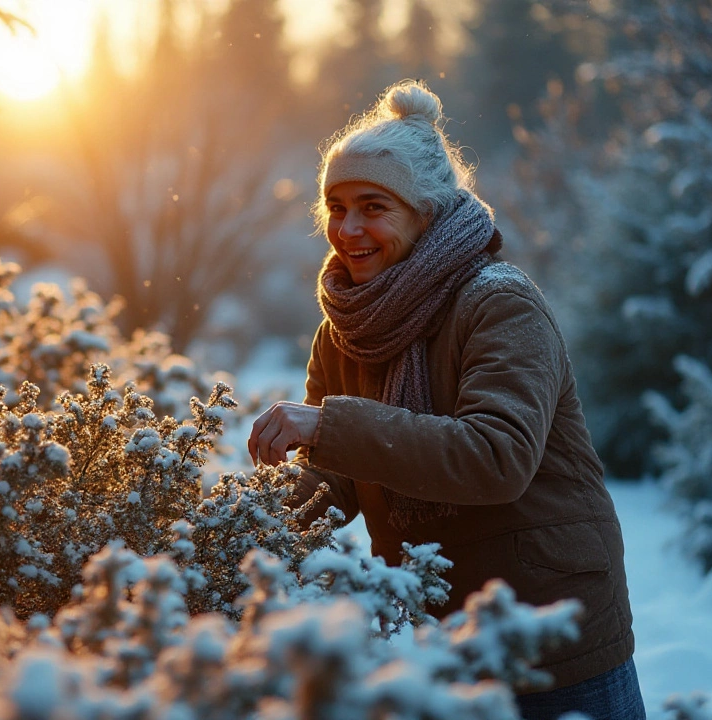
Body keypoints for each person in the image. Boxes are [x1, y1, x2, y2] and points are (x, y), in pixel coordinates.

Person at [247, 80, 646, 720]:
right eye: (336, 207)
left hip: (549, 624)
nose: (348, 229)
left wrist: (327, 425)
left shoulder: (498, 301)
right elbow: (338, 476)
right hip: (436, 627)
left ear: (426, 213)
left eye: (373, 207)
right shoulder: (346, 327)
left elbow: (496, 457)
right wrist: (242, 530)